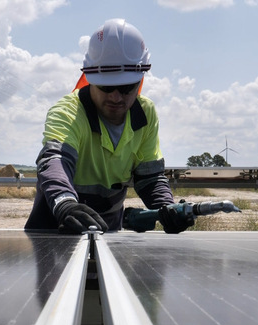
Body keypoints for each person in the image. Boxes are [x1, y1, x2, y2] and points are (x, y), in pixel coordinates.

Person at [24, 18, 193, 235]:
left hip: (109, 236)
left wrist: (165, 208)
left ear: (140, 80)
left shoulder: (145, 114)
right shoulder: (68, 112)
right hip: (55, 234)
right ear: (90, 78)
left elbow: (150, 178)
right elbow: (55, 162)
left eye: (125, 87)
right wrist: (66, 204)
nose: (115, 96)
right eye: (106, 87)